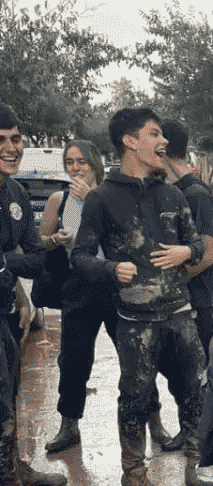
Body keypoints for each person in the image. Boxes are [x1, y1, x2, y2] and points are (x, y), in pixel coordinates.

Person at [72, 107, 205, 486]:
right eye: (154, 134)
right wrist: (110, 270)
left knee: (196, 390)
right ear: (130, 141)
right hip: (134, 322)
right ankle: (134, 474)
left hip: (180, 314)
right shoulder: (102, 198)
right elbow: (80, 256)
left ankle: (196, 467)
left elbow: (196, 245)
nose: (164, 142)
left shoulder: (173, 195)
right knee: (135, 399)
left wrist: (186, 253)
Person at [44, 140, 130, 453]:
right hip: (77, 287)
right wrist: (54, 239)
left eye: (82, 161)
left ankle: (153, 420)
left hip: (114, 284)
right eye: (70, 162)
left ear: (95, 163)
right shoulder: (59, 199)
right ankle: (69, 424)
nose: (76, 168)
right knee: (73, 358)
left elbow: (126, 238)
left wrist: (91, 200)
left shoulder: (111, 196)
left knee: (133, 355)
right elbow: (42, 240)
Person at [0, 102, 66, 485]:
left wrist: (12, 275)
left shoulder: (19, 194)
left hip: (11, 308)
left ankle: (12, 469)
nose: (12, 147)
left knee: (10, 394)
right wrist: (14, 263)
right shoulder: (52, 199)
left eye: (16, 138)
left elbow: (40, 259)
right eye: (2, 140)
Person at [152, 120, 213, 453]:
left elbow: (207, 254)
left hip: (197, 300)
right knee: (181, 372)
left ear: (163, 147)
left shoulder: (195, 193)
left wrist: (169, 281)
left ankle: (208, 437)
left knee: (202, 374)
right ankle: (189, 428)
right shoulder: (170, 190)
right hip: (176, 302)